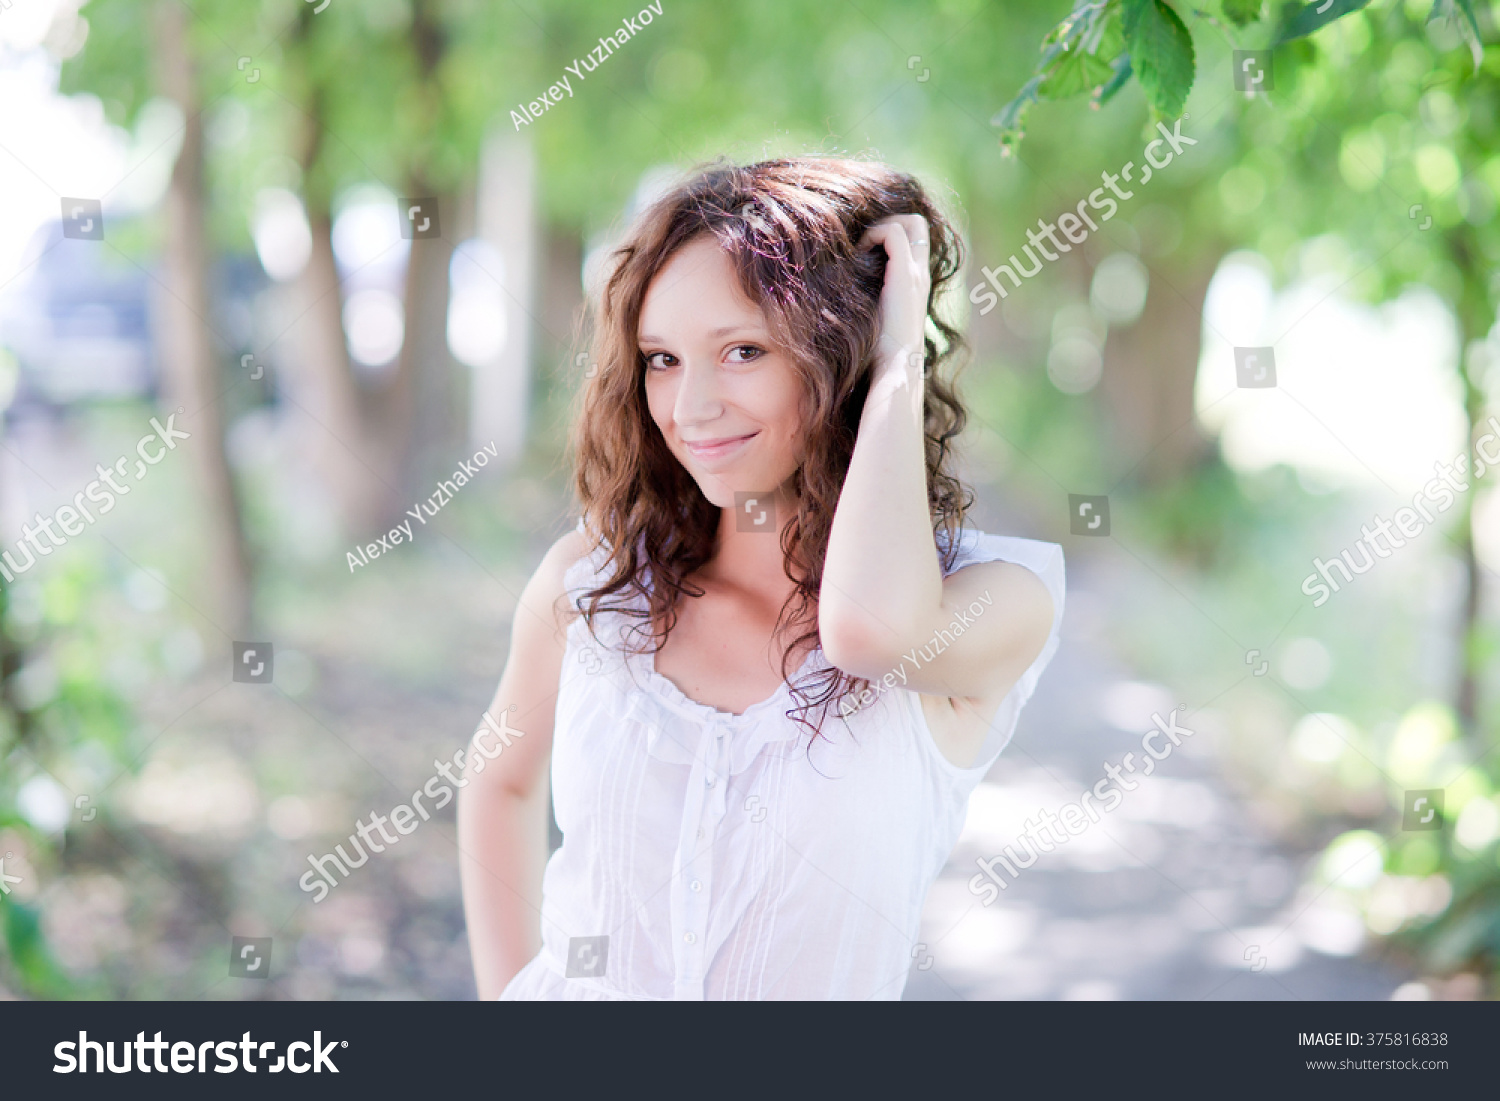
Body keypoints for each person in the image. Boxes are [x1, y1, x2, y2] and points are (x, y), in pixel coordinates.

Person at [457, 157, 1065, 1000]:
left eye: (742, 350)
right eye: (662, 358)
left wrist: (894, 359)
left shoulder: (997, 601)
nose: (691, 405)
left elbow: (867, 631)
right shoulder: (593, 586)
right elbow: (499, 777)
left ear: (838, 353)